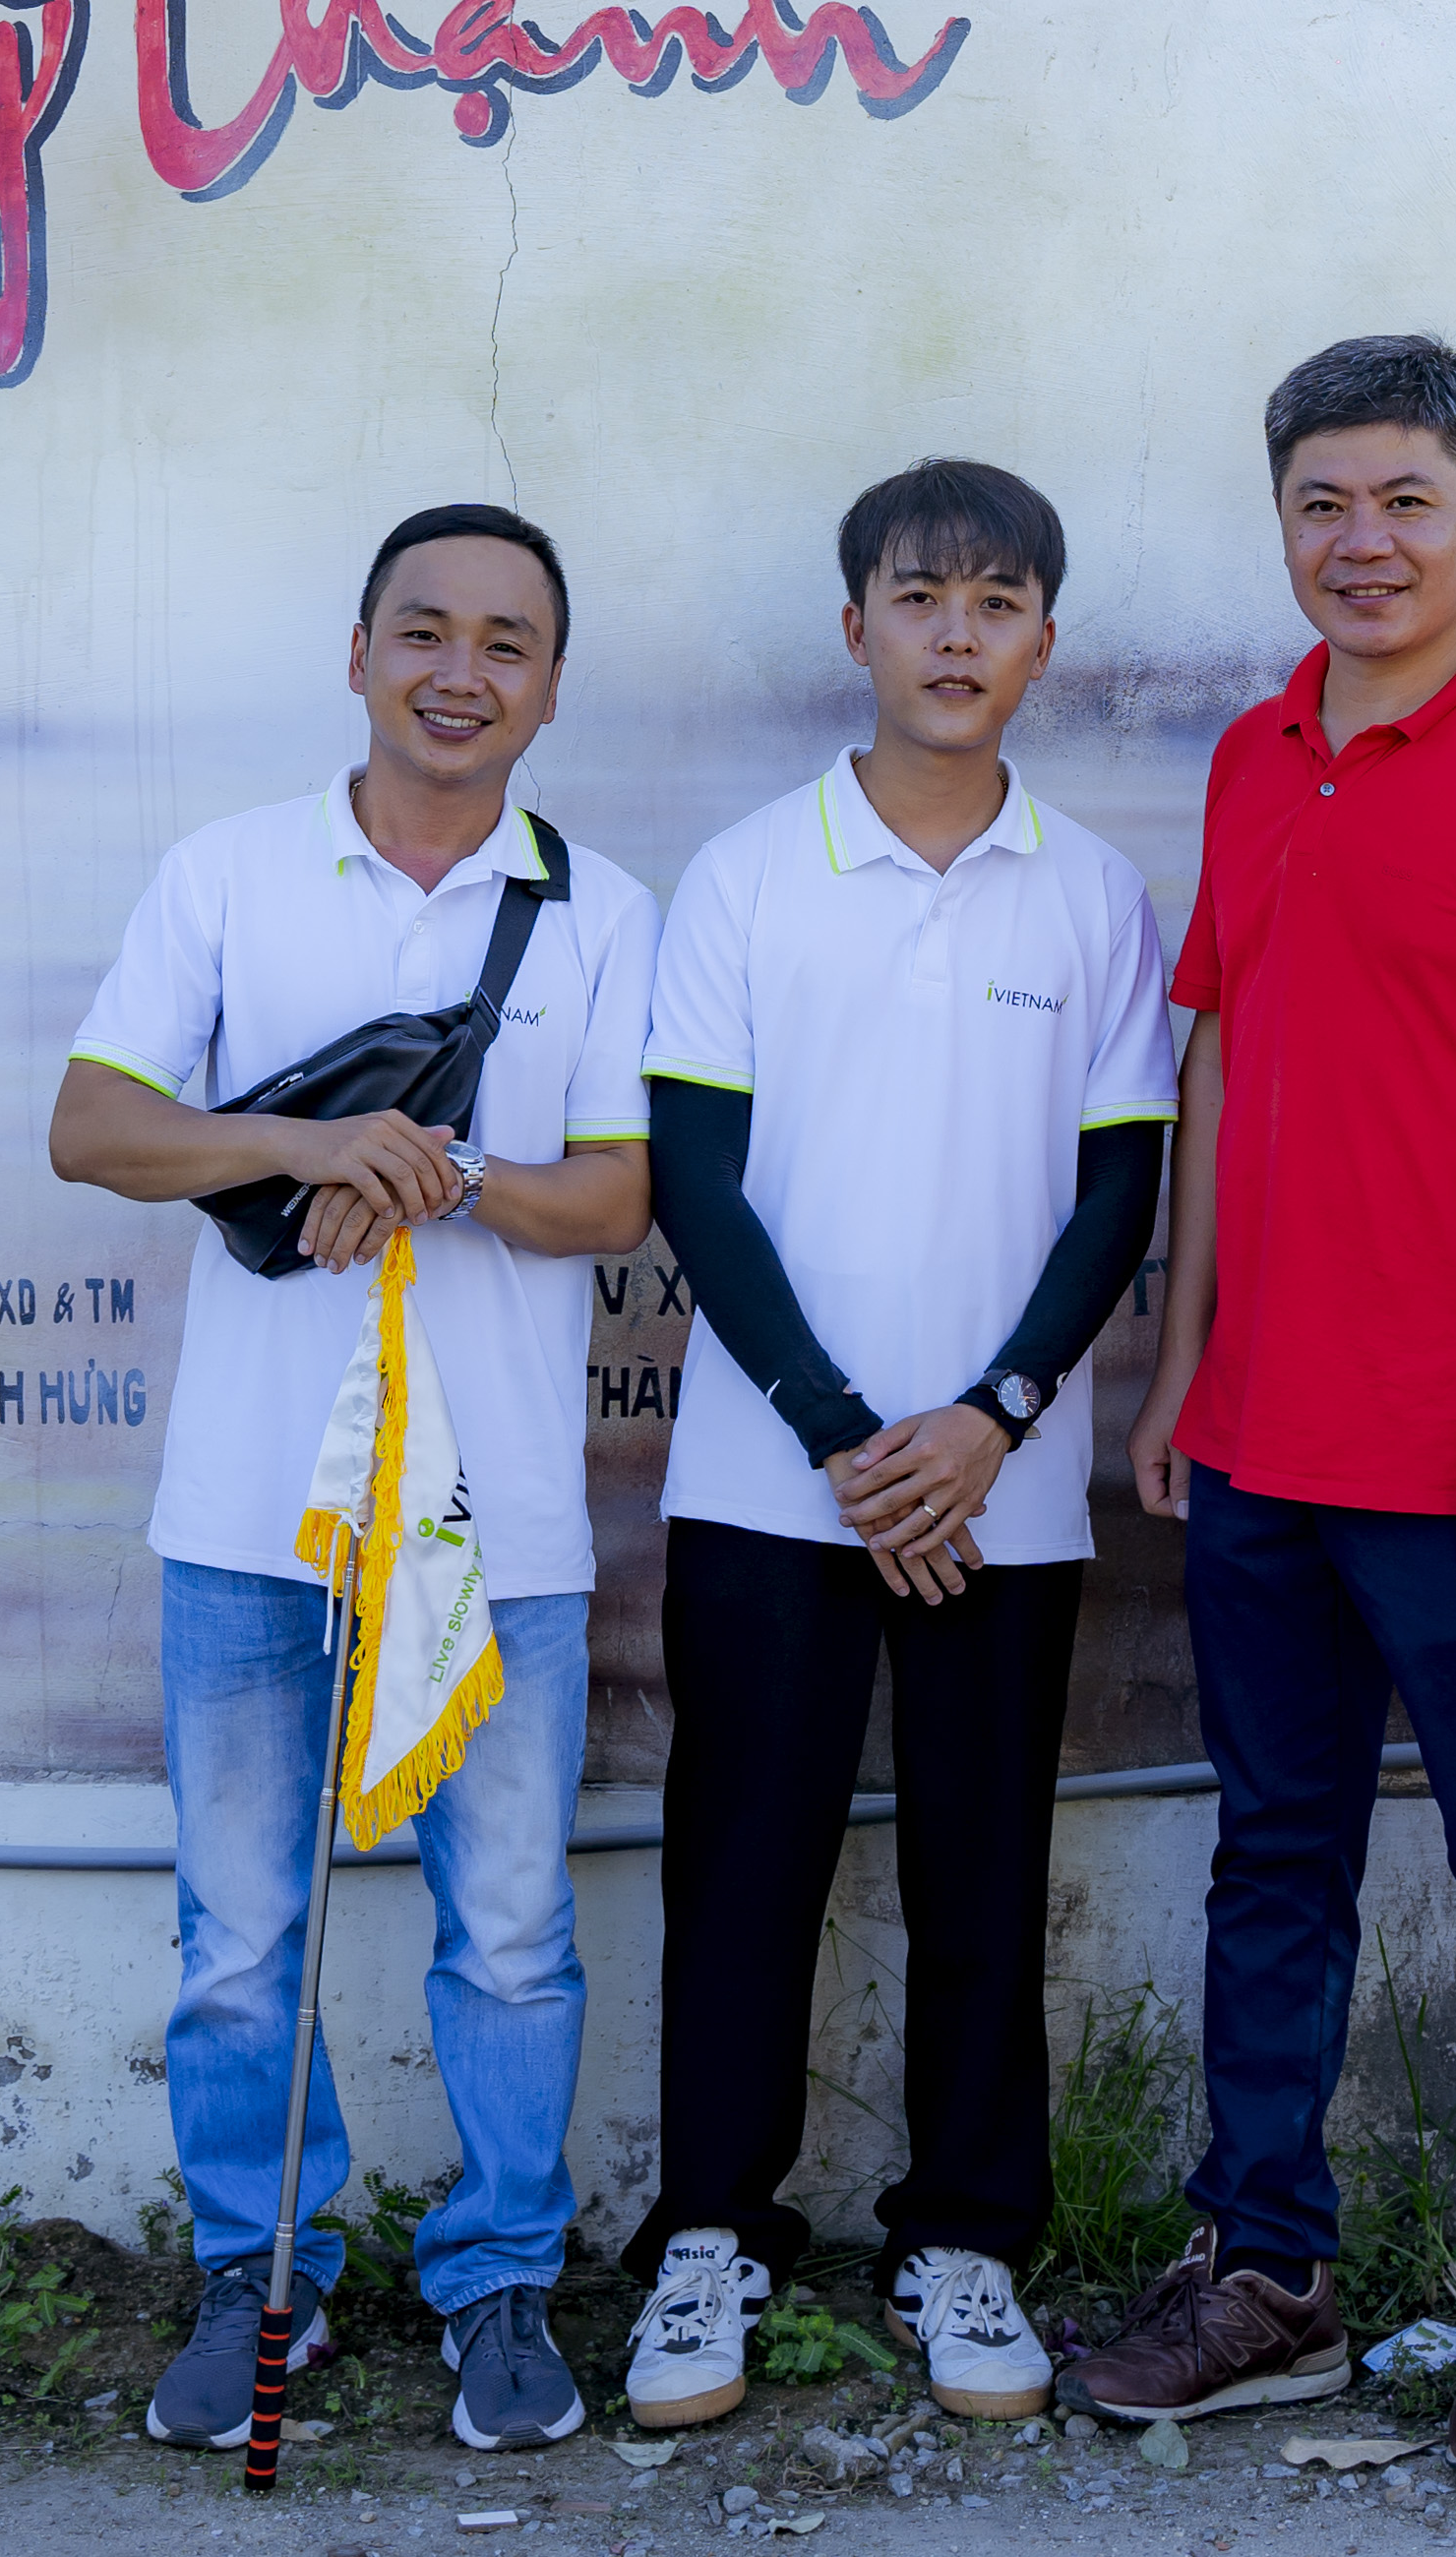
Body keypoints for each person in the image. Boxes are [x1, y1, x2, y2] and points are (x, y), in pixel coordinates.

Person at [1080, 336, 1456, 2483]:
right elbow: (1223, 1059)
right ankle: (1271, 2273)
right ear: (1284, 521)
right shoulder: (1255, 759)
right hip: (1258, 1441)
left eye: (1407, 499)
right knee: (1275, 1862)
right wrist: (1181, 1353)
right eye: (1325, 502)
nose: (1365, 540)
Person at [47, 503, 663, 2459]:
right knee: (240, 1932)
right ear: (359, 651)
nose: (460, 670)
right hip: (248, 1517)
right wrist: (305, 1144)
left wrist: (454, 1170)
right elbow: (93, 1128)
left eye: (507, 640)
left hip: (501, 1529)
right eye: (424, 629)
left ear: (551, 682)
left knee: (508, 1927)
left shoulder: (601, 910)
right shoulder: (228, 875)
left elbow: (622, 1194)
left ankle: (500, 2283)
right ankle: (259, 2276)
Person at [615, 459, 1181, 2433]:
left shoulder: (1096, 894)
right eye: (920, 596)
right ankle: (711, 2236)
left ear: (1045, 639)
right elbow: (696, 1176)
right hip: (776, 1483)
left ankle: (966, 2238)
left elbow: (1117, 1198)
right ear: (855, 625)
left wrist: (991, 1415)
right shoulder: (750, 874)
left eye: (999, 599)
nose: (958, 633)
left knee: (981, 1871)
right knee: (743, 1866)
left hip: (1000, 1492)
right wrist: (852, 1436)